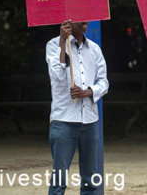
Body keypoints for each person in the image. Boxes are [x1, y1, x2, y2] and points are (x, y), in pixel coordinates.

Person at [45, 20, 109, 195]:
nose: (85, 22)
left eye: (86, 16)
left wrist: (88, 92)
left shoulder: (94, 49)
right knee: (59, 181)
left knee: (91, 180)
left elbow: (104, 82)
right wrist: (62, 43)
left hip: (90, 120)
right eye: (79, 18)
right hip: (64, 120)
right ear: (67, 21)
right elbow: (57, 77)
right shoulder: (53, 45)